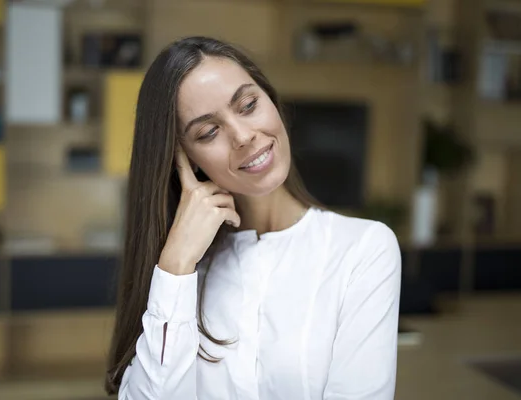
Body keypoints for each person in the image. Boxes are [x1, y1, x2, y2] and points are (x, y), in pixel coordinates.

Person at [105, 36, 401, 400]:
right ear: (185, 159)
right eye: (208, 132)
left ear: (271, 101)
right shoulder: (180, 273)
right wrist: (176, 264)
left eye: (247, 104)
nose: (243, 136)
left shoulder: (363, 249)